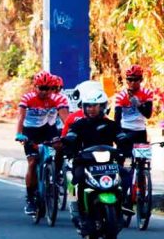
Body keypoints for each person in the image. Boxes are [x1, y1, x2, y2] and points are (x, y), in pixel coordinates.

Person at [63, 87, 129, 229]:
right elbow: (71, 137)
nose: (91, 109)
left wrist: (125, 146)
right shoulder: (79, 125)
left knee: (125, 175)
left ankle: (122, 207)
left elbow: (121, 138)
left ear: (103, 107)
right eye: (88, 106)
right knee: (79, 179)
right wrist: (67, 143)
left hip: (108, 164)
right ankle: (83, 216)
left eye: (94, 106)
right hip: (85, 163)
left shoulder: (111, 125)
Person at [15, 71, 69, 215]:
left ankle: (56, 172)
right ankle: (30, 198)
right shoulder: (27, 98)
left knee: (60, 146)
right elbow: (21, 117)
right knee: (32, 162)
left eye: (48, 88)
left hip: (47, 129)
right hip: (29, 131)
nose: (44, 92)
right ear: (35, 87)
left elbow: (66, 118)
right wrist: (19, 134)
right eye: (41, 88)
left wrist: (70, 132)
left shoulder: (58, 99)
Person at [113, 65, 154, 146]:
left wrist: (137, 103)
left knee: (142, 158)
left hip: (140, 130)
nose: (132, 82)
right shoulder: (121, 96)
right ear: (126, 80)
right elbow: (117, 118)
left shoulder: (147, 93)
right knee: (123, 156)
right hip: (125, 130)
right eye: (129, 79)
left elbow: (148, 115)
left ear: (141, 80)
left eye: (135, 80)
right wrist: (118, 134)